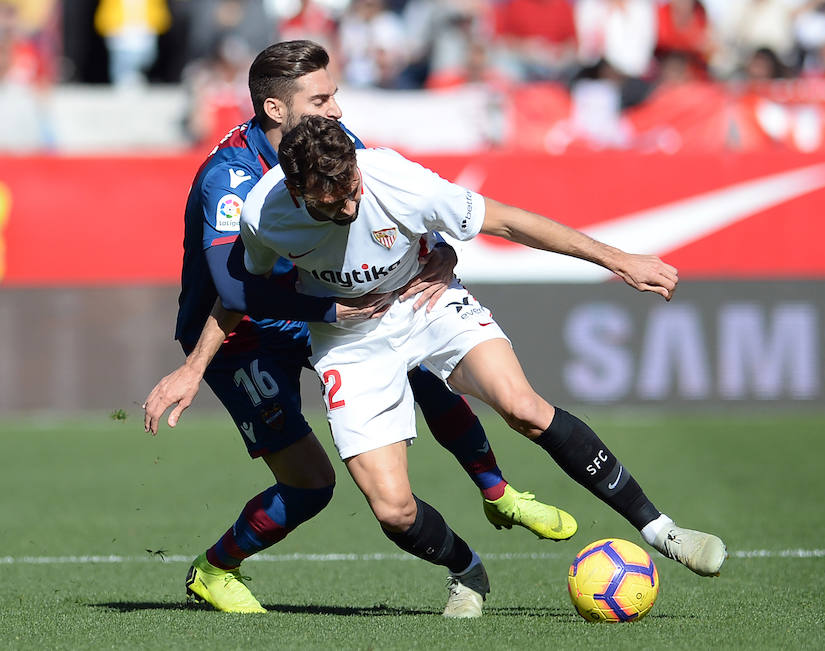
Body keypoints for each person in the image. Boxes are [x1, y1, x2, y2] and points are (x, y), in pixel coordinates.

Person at [142, 40, 576, 616]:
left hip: (318, 309)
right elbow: (233, 290)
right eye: (321, 98)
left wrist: (438, 250)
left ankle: (499, 493)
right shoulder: (229, 177)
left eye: (335, 96)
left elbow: (393, 202)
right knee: (312, 486)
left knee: (424, 366)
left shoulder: (331, 144)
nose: (337, 111)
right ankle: (214, 570)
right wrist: (196, 367)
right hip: (239, 332)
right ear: (277, 110)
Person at [233, 114, 728, 618]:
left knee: (523, 407)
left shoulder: (396, 180)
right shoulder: (262, 215)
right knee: (394, 510)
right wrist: (323, 310)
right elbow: (247, 288)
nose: (351, 205)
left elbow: (511, 221)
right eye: (332, 201)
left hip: (423, 303)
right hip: (350, 343)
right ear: (297, 192)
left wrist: (618, 259)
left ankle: (663, 531)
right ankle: (466, 570)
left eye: (353, 188)